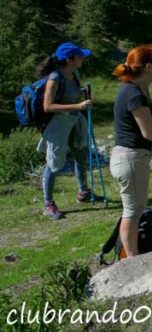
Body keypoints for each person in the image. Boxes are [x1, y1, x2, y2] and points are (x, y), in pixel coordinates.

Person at [110, 44, 152, 257]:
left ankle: (132, 255)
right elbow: (149, 133)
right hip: (130, 158)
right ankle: (131, 259)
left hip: (132, 158)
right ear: (149, 66)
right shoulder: (134, 94)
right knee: (131, 211)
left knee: (136, 208)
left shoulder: (140, 88)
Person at [36, 43, 95, 220]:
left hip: (75, 120)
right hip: (58, 124)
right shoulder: (54, 78)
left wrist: (82, 94)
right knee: (54, 164)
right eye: (80, 56)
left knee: (81, 155)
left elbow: (72, 94)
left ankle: (83, 193)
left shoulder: (74, 73)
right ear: (70, 60)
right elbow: (48, 106)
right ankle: (48, 204)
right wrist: (78, 105)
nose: (83, 58)